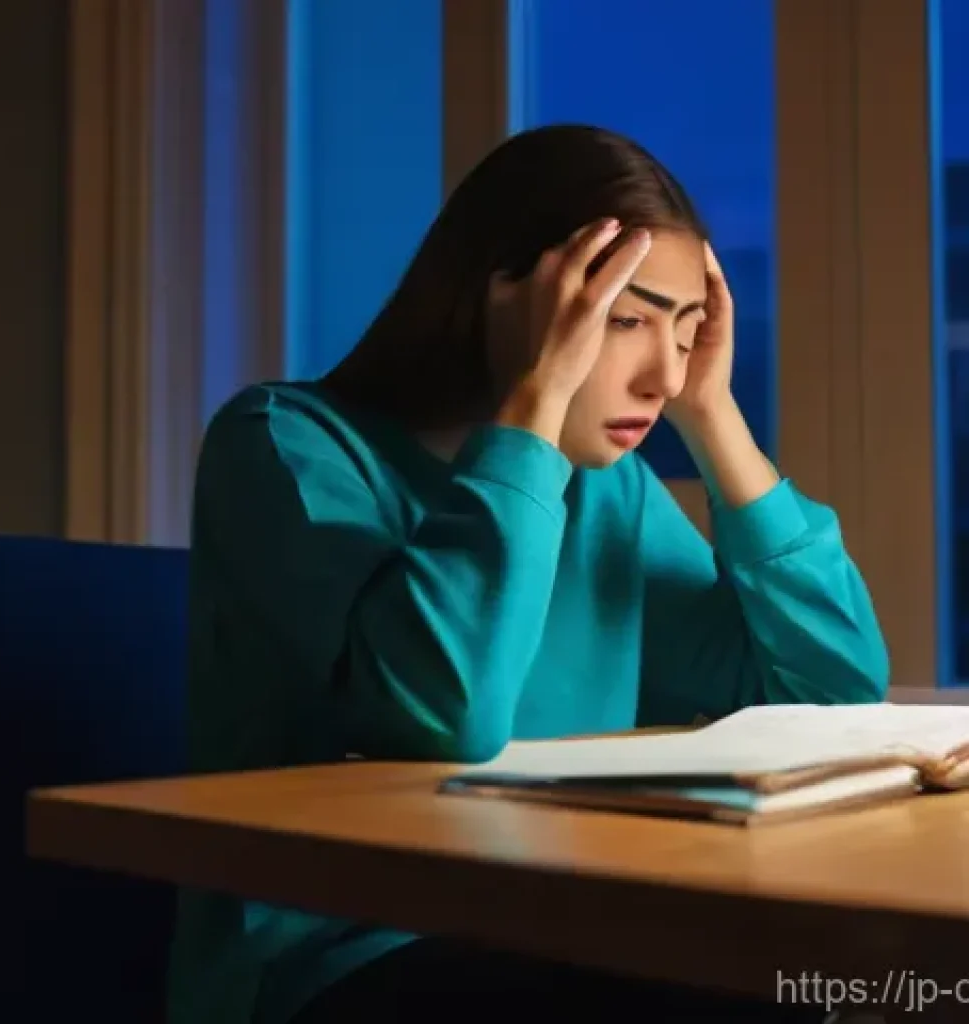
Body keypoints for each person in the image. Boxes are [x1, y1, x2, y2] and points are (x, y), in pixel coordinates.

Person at [165, 124, 889, 1024]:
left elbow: (831, 692)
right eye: (625, 320)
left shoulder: (604, 492)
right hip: (346, 956)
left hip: (569, 925)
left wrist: (717, 421)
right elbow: (443, 717)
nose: (663, 373)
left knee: (863, 987)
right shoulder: (284, 443)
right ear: (500, 299)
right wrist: (536, 402)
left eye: (689, 331)